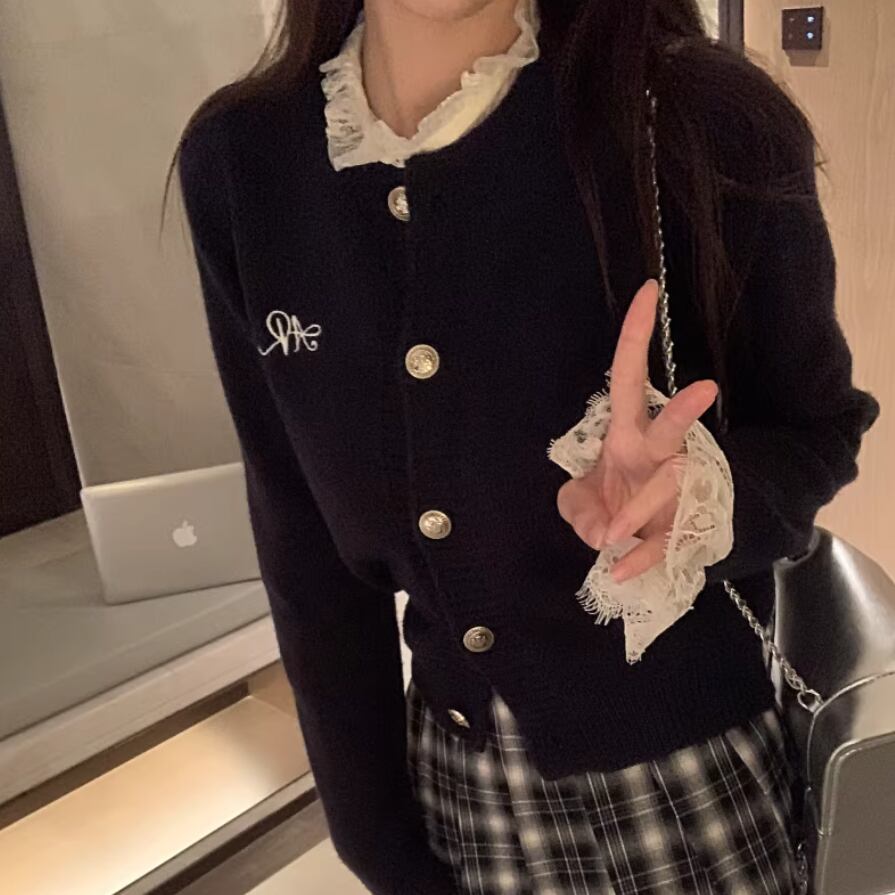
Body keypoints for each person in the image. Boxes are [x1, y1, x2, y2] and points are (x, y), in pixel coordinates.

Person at [170, 1, 881, 892]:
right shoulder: (243, 159)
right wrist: (371, 836)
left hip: (684, 791)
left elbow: (816, 428)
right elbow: (300, 538)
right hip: (450, 793)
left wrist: (705, 497)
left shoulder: (698, 114)